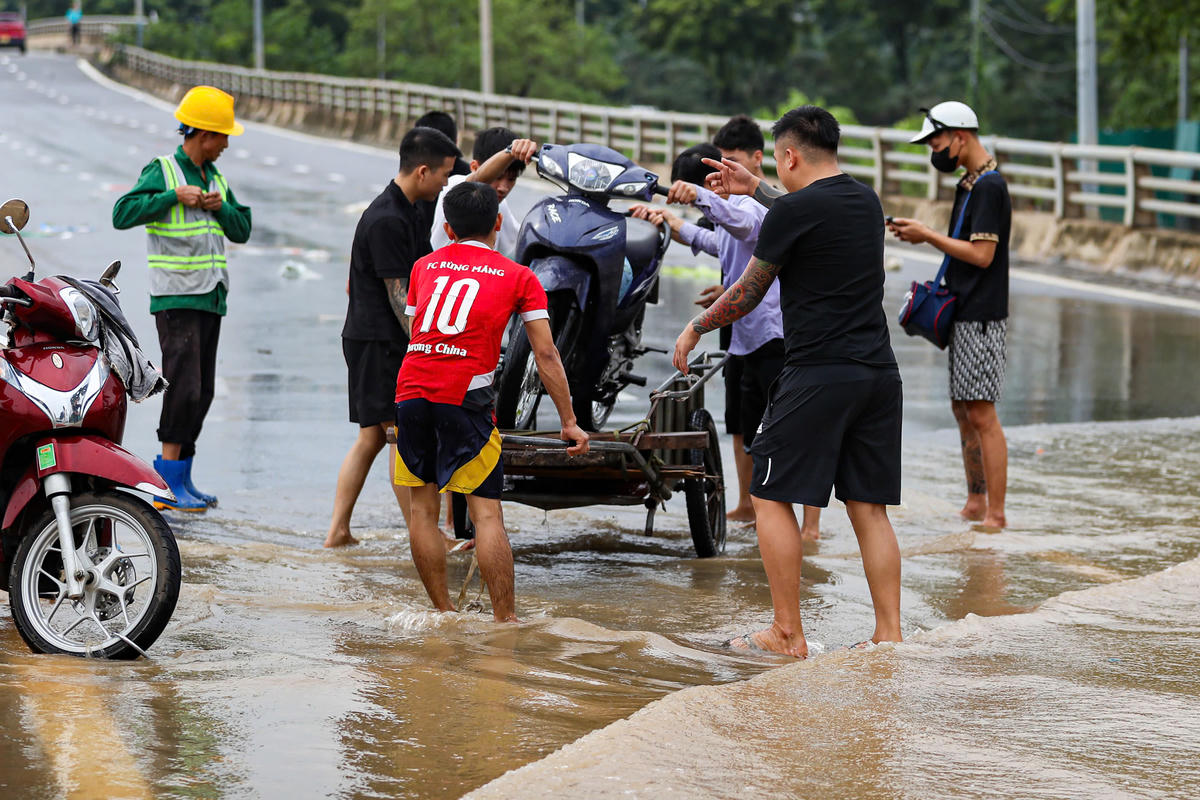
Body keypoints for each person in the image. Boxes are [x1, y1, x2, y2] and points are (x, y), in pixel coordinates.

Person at [676, 106, 904, 657]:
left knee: (769, 493)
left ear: (789, 155)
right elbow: (803, 211)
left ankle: (786, 632)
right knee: (866, 507)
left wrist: (696, 326)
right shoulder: (864, 200)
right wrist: (755, 188)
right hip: (877, 373)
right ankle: (890, 636)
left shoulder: (793, 211)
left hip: (817, 374)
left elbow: (747, 291)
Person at [393, 181, 589, 621]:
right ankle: (506, 623)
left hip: (411, 390)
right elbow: (544, 353)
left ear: (447, 227)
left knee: (423, 512)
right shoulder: (520, 276)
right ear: (498, 224)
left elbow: (416, 334)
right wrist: (569, 420)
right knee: (486, 516)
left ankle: (442, 613)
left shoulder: (423, 267)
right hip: (464, 395)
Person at [635, 117, 822, 540]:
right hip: (741, 337)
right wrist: (668, 219)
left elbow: (739, 225)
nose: (724, 182)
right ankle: (746, 504)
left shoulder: (751, 206)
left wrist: (700, 197)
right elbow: (716, 242)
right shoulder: (724, 211)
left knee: (791, 428)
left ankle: (809, 527)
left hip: (772, 335)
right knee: (741, 426)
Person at [113, 85, 251, 512]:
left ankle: (184, 478)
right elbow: (122, 213)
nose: (226, 144)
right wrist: (174, 197)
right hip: (176, 297)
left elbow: (242, 228)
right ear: (203, 134)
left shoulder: (216, 179)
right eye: (222, 136)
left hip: (210, 296)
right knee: (184, 388)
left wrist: (219, 207)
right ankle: (166, 482)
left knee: (204, 391)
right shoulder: (164, 171)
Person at [325, 126, 460, 548]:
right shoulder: (386, 219)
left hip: (377, 339)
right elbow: (399, 296)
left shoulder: (409, 209)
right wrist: (428, 345)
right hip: (378, 342)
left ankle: (339, 531)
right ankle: (425, 533)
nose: (445, 185)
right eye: (443, 176)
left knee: (372, 437)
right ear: (423, 171)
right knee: (396, 433)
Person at [887, 101, 1010, 530]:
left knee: (982, 413)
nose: (934, 150)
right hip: (964, 310)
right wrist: (925, 234)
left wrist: (926, 235)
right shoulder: (970, 184)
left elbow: (982, 254)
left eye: (936, 141)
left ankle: (996, 512)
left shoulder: (990, 187)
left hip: (982, 314)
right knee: (963, 409)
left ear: (961, 136)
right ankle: (976, 501)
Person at [429, 127, 538, 259]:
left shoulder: (498, 205)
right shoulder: (454, 188)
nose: (504, 188)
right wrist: (510, 152)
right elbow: (476, 180)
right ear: (474, 167)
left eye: (511, 179)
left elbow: (524, 240)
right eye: (497, 176)